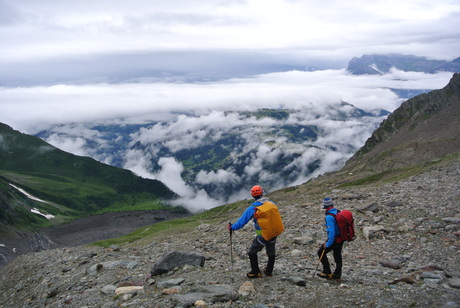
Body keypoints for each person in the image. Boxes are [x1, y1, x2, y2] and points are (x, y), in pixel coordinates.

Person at [228, 185, 280, 278]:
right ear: (262, 193)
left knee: (252, 252)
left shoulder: (253, 208)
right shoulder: (271, 203)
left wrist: (232, 227)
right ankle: (269, 271)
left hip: (262, 235)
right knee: (271, 252)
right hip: (273, 232)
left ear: (253, 196)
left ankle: (255, 272)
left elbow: (241, 222)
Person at [317, 197, 343, 281]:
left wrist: (328, 244)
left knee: (321, 252)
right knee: (337, 256)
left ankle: (326, 271)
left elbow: (331, 231)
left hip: (334, 239)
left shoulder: (329, 216)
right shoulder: (337, 211)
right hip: (341, 238)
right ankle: (337, 274)